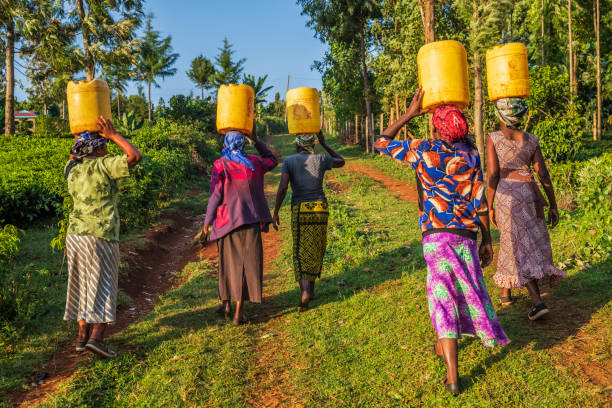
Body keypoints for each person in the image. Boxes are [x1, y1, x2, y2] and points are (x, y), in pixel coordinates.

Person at [374, 89, 509, 396]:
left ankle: (452, 376)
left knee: (442, 298)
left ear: (435, 127)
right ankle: (446, 345)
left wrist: (410, 114)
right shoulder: (470, 153)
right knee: (465, 292)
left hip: (435, 237)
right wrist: (487, 239)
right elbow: (480, 200)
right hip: (466, 236)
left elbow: (380, 142)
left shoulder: (422, 149)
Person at [64, 116, 142, 358]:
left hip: (75, 235)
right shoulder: (104, 165)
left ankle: (80, 338)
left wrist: (81, 132)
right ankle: (97, 338)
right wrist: (113, 134)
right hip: (101, 235)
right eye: (103, 144)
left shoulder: (71, 169)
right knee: (104, 283)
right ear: (97, 147)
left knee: (82, 283)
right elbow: (135, 156)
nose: (106, 147)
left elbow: (74, 152)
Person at [486, 97, 565, 320]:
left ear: (499, 116)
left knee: (516, 244)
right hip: (529, 194)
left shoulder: (493, 138)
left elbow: (492, 174)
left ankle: (537, 302)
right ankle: (506, 290)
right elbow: (543, 174)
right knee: (515, 241)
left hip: (506, 196)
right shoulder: (531, 139)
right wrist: (553, 204)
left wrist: (489, 205)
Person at [203, 123, 278, 325]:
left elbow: (215, 195)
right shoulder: (254, 163)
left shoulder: (221, 165)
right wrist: (257, 139)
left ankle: (227, 303)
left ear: (226, 143)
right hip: (251, 220)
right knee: (247, 265)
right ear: (244, 144)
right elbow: (272, 160)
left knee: (227, 263)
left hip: (227, 222)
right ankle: (237, 311)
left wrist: (207, 221)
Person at [271, 131, 345, 311]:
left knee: (301, 251)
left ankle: (304, 291)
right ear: (313, 145)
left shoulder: (289, 162)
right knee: (316, 247)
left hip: (300, 210)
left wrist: (276, 211)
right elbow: (341, 161)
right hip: (320, 208)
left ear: (297, 146)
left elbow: (282, 188)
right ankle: (310, 292)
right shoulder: (321, 158)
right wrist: (326, 145)